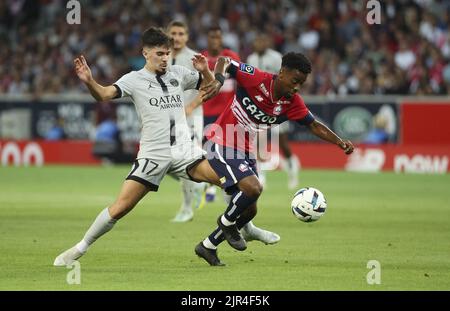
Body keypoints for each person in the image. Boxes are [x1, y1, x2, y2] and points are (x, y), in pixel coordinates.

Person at [53, 27, 278, 267]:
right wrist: (89, 81)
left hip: (186, 151)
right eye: (159, 53)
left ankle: (246, 228)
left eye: (167, 53)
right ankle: (79, 248)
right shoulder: (133, 79)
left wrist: (206, 73)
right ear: (146, 53)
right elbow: (104, 94)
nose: (164, 58)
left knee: (237, 184)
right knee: (120, 208)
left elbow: (210, 90)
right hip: (153, 154)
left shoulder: (178, 73)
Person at [195, 52, 354, 265]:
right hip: (220, 140)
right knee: (253, 188)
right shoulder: (256, 78)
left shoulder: (292, 102)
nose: (297, 87)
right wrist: (219, 80)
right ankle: (226, 223)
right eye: (295, 80)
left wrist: (339, 141)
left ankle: (208, 246)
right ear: (282, 72)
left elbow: (313, 125)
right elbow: (224, 61)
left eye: (302, 83)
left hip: (245, 151)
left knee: (249, 209)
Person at [247, 33, 300, 189]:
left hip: (278, 105)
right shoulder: (251, 59)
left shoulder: (277, 58)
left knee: (283, 143)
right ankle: (260, 174)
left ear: (267, 42)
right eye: (257, 41)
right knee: (257, 141)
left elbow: (286, 80)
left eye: (262, 41)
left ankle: (292, 169)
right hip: (260, 106)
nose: (259, 44)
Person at [167, 21, 207, 222]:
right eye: (173, 33)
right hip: (168, 119)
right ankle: (200, 182)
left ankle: (187, 208)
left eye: (180, 33)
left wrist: (191, 106)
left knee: (185, 160)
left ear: (187, 36)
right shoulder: (162, 57)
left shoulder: (193, 58)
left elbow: (206, 86)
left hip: (191, 118)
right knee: (164, 162)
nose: (176, 37)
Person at [201, 25, 241, 203]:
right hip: (208, 111)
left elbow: (240, 79)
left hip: (227, 112)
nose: (215, 40)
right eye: (212, 37)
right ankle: (211, 186)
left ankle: (230, 185)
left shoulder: (230, 56)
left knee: (229, 150)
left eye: (218, 37)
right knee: (209, 151)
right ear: (207, 39)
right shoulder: (202, 58)